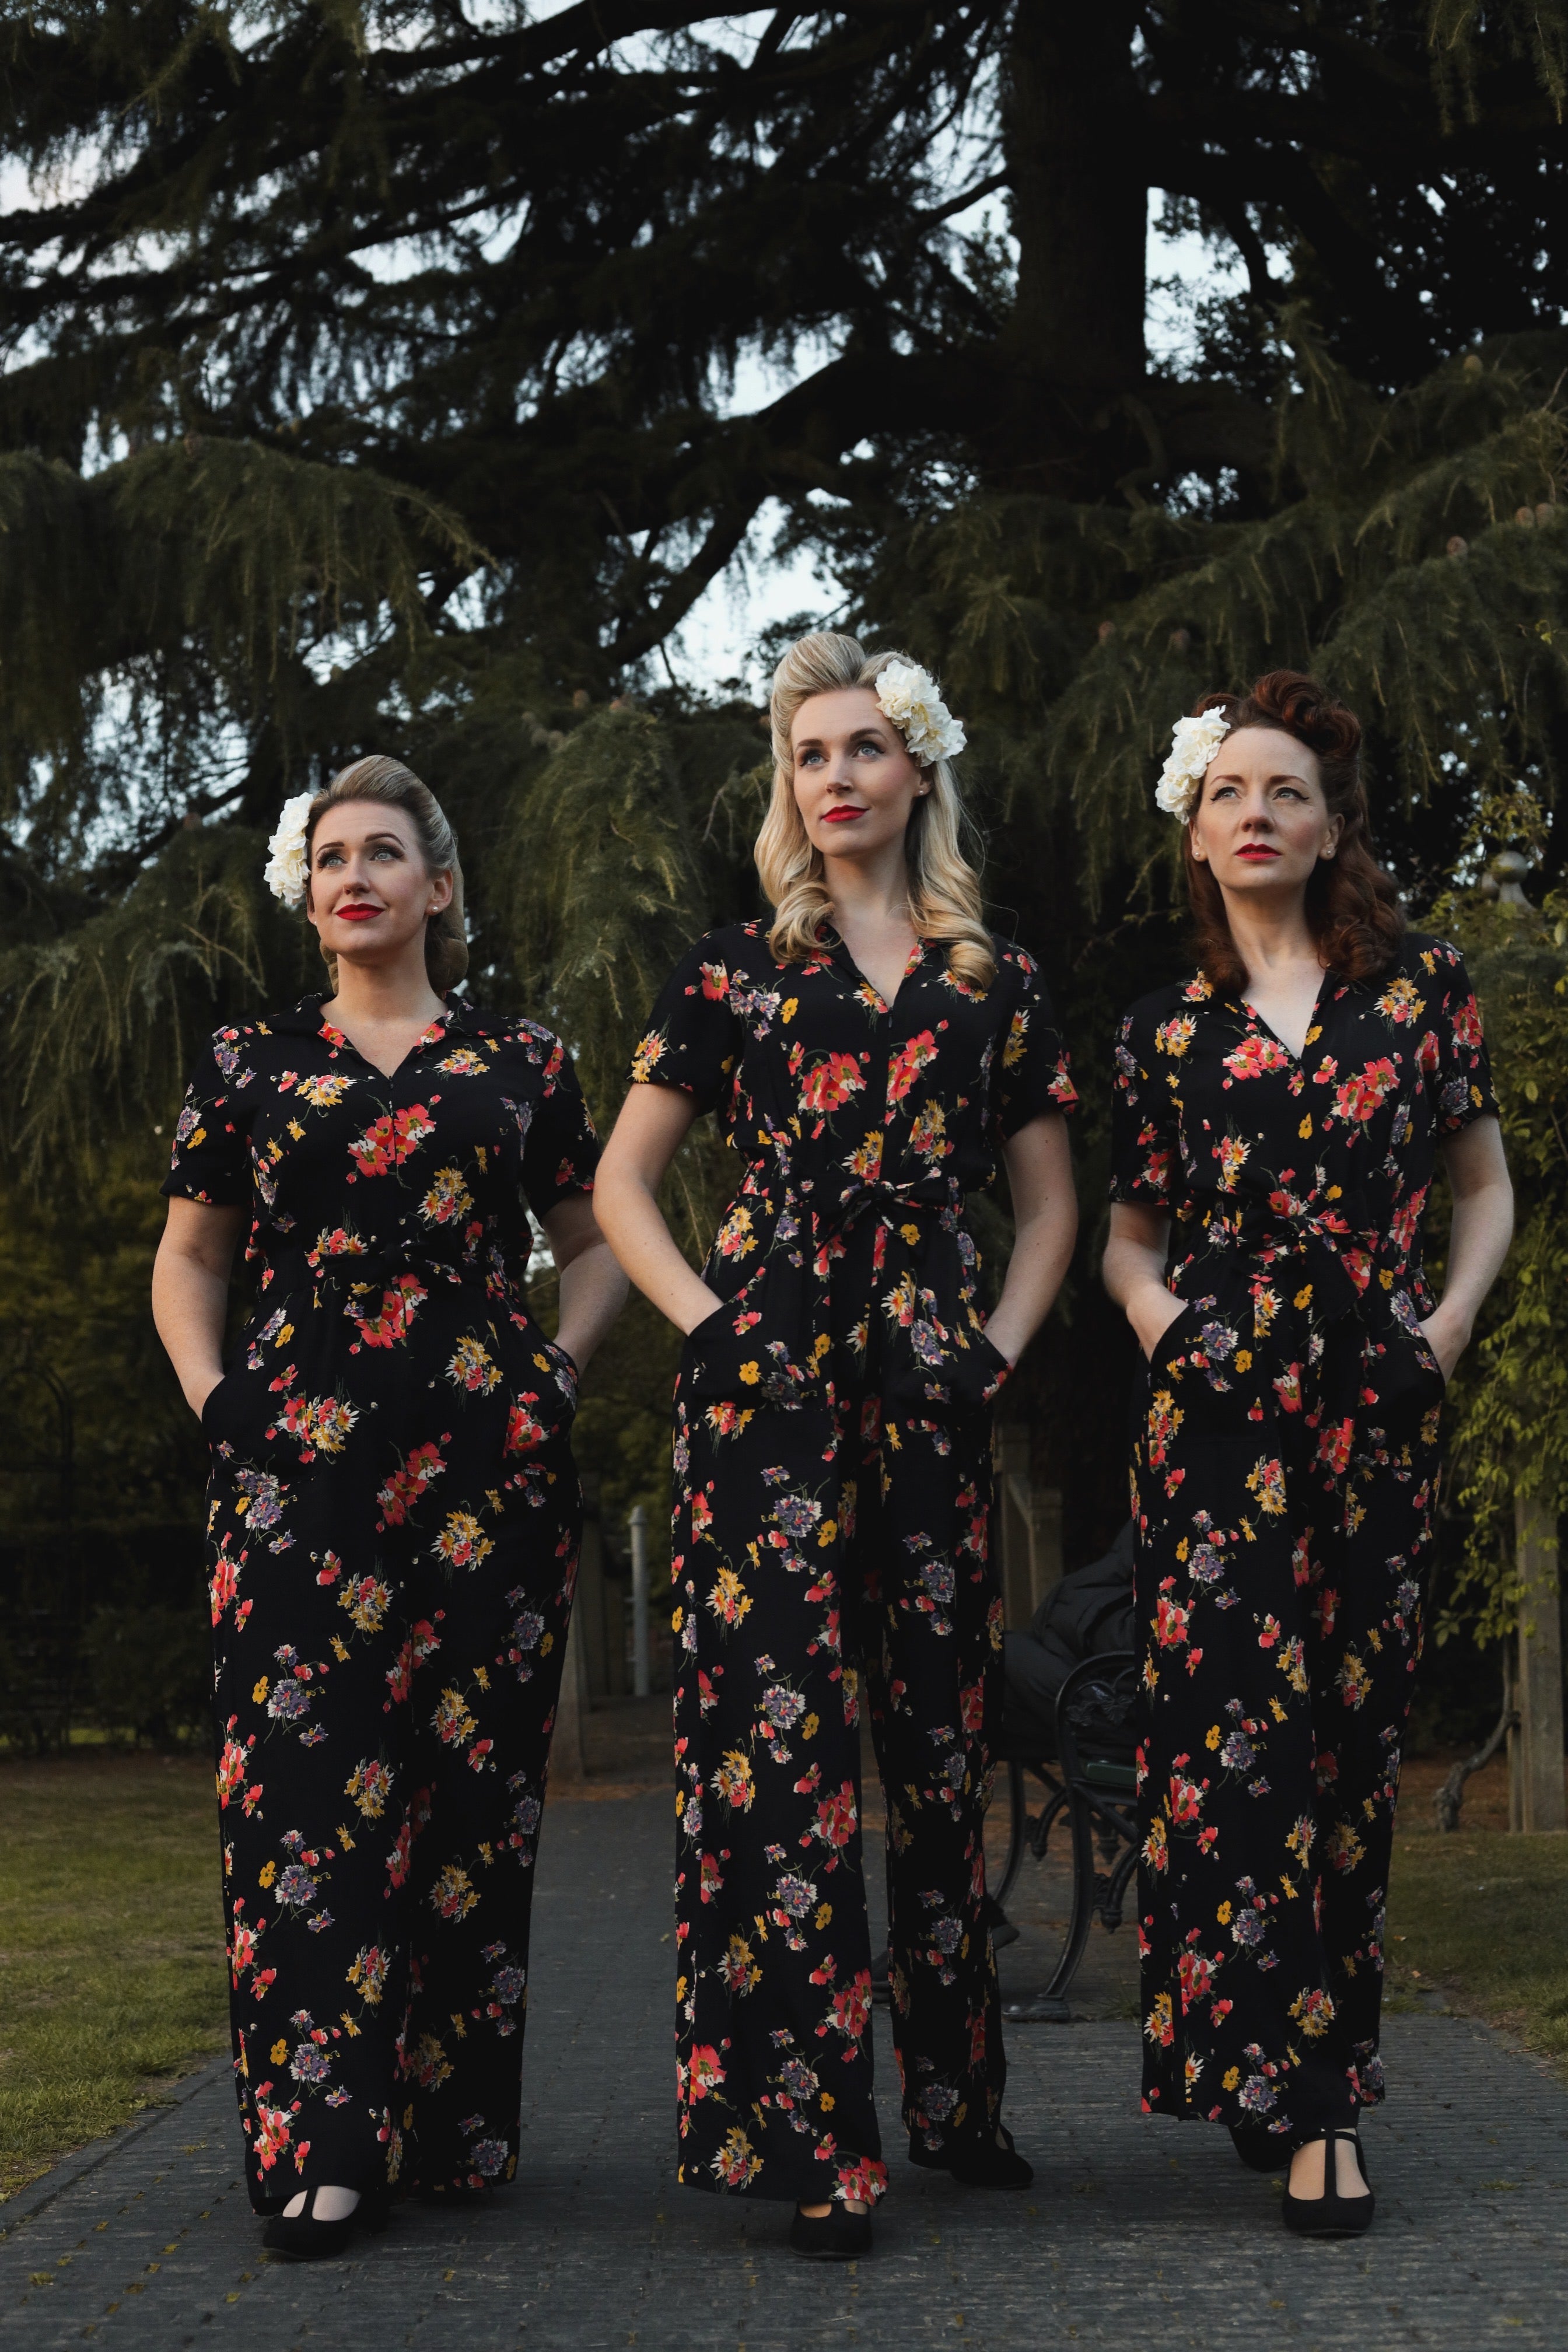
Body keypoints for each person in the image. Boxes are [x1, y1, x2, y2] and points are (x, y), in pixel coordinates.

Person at [594, 632, 1079, 2259]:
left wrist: (993, 1351)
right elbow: (621, 1185)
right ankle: (812, 2141)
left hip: (928, 1388)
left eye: (865, 746)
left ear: (918, 768)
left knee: (939, 1744)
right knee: (776, 1757)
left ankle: (960, 2102)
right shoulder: (732, 971)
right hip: (766, 1401)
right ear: (787, 788)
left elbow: (1051, 1207)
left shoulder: (992, 980)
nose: (838, 776)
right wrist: (710, 1323)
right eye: (811, 755)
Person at [151, 757, 625, 2258]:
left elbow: (596, 1240)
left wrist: (553, 1376)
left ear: (438, 886)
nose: (352, 875)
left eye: (382, 852)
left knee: (472, 1798)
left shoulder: (524, 1060)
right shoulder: (249, 1064)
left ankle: (453, 2129)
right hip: (298, 1470)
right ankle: (322, 2145)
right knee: (305, 1793)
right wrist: (221, 1407)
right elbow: (190, 1260)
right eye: (329, 857)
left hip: (489, 1469)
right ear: (308, 898)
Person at [1102, 673, 1513, 2237]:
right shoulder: (1164, 1032)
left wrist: (1447, 1327)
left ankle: (1324, 2084)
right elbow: (1126, 1241)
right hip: (1215, 1422)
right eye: (1230, 793)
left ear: (1332, 828)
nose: (1258, 813)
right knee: (1231, 1757)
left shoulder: (1419, 995)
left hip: (1373, 1406)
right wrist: (1167, 1329)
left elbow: (1483, 1187)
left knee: (1350, 1749)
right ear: (1198, 834)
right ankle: (1275, 2082)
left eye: (1288, 792)